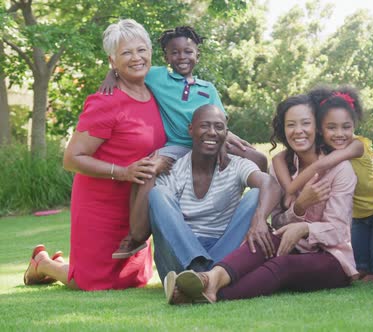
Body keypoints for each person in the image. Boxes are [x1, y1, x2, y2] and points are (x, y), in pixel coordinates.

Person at [164, 94, 358, 305]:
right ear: (283, 129)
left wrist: (305, 229)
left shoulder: (340, 170)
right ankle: (210, 278)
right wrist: (299, 208)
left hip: (332, 258)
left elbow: (339, 231)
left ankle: (211, 294)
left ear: (317, 128)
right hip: (295, 245)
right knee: (259, 242)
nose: (298, 131)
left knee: (282, 265)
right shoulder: (281, 166)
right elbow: (277, 222)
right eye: (291, 124)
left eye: (305, 123)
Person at [99, 26, 267, 258]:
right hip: (177, 145)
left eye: (188, 52)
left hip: (208, 141)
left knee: (258, 158)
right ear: (166, 56)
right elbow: (124, 68)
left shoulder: (207, 88)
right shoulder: (157, 76)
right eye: (175, 52)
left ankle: (267, 216)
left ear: (197, 54)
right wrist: (110, 75)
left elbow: (219, 119)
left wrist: (225, 138)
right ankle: (136, 236)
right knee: (149, 169)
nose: (182, 57)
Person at [23, 19, 166, 290]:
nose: (136, 58)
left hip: (136, 205)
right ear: (112, 60)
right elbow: (72, 158)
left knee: (134, 279)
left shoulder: (159, 90)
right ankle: (43, 263)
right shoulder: (105, 102)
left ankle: (55, 263)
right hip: (101, 204)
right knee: (91, 282)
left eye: (142, 50)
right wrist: (123, 171)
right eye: (126, 53)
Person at [147, 104, 281, 288]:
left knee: (257, 193)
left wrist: (260, 219)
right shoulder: (173, 170)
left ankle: (203, 279)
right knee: (158, 193)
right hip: (178, 259)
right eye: (204, 126)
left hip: (222, 252)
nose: (212, 132)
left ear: (226, 133)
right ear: (191, 130)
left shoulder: (237, 165)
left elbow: (270, 184)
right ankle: (199, 271)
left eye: (219, 127)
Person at [272, 86, 373, 280]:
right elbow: (277, 159)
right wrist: (295, 200)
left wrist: (291, 192)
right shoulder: (323, 149)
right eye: (331, 127)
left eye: (346, 127)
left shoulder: (355, 146)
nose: (339, 134)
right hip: (358, 216)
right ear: (320, 128)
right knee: (361, 268)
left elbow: (321, 166)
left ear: (354, 126)